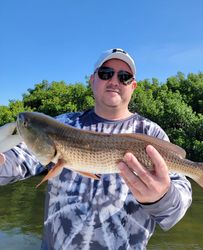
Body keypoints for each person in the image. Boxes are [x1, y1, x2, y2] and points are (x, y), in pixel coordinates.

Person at [0, 48, 192, 249]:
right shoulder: (63, 124)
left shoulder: (151, 133)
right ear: (92, 80)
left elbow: (176, 211)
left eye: (124, 77)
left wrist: (161, 197)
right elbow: (19, 158)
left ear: (133, 86)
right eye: (106, 73)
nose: (115, 80)